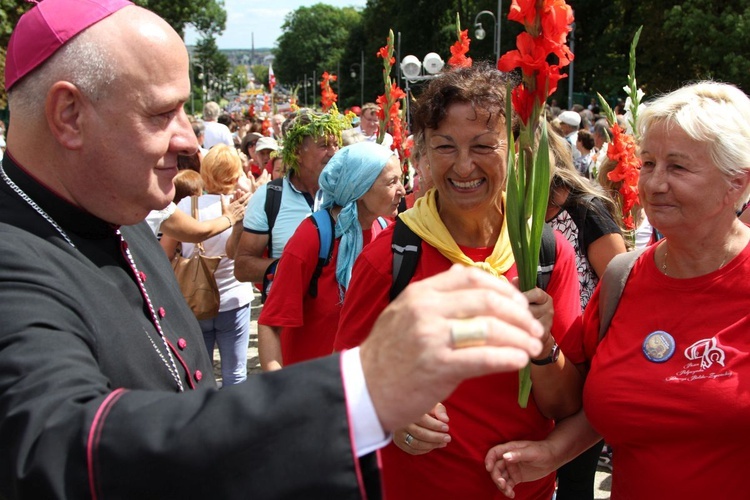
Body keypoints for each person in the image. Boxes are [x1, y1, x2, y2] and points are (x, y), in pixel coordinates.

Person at [0, 1, 552, 497]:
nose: (191, 140)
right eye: (161, 113)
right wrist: (363, 385)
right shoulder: (12, 256)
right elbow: (59, 448)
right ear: (69, 115)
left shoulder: (115, 220)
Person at [486, 81, 750, 499]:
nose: (655, 184)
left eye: (677, 167)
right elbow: (614, 400)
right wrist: (552, 451)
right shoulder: (623, 279)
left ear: (737, 182)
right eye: (648, 164)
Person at [333, 63, 585, 499]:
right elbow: (343, 390)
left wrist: (543, 347)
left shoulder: (546, 254)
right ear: (425, 153)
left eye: (484, 145)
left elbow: (565, 406)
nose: (464, 166)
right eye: (445, 146)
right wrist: (391, 414)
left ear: (515, 149)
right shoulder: (390, 258)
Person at [258, 142, 404, 370]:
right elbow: (270, 323)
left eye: (401, 180)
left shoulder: (386, 231)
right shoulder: (313, 236)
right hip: (312, 389)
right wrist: (280, 391)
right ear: (360, 187)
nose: (402, 190)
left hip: (365, 387)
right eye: (392, 182)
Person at [545, 126, 626, 499]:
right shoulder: (500, 210)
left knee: (575, 482)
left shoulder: (585, 211)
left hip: (583, 370)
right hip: (534, 368)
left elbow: (623, 286)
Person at [161, 145, 254, 385]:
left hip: (193, 298)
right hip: (234, 299)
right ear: (235, 174)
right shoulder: (244, 208)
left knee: (200, 372)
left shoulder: (185, 207)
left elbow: (165, 253)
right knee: (235, 373)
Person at [233, 109, 346, 284]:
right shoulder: (269, 196)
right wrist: (296, 267)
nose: (333, 153)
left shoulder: (346, 193)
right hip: (288, 308)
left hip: (339, 310)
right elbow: (243, 267)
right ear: (297, 152)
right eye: (324, 145)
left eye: (336, 144)